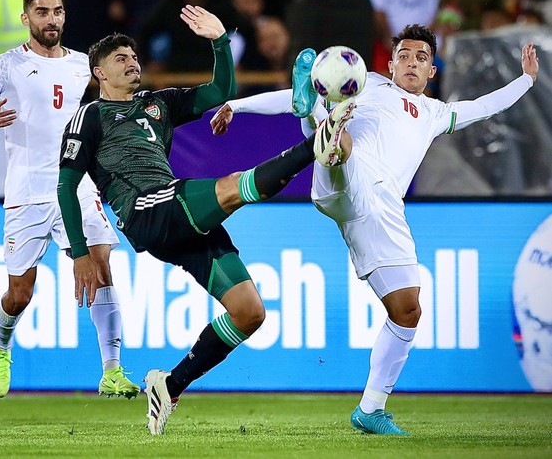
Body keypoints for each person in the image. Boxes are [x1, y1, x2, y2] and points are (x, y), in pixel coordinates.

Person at [210, 24, 540, 434]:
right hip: (347, 177)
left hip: (381, 213)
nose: (412, 63)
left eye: (421, 58)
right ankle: (317, 119)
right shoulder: (367, 85)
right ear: (391, 62)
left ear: (431, 71)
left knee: (407, 309)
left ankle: (370, 409)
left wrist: (526, 80)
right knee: (341, 141)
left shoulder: (437, 113)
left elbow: (486, 105)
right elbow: (291, 96)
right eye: (404, 55)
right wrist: (238, 106)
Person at [56, 6, 353, 435]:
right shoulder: (89, 116)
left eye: (134, 56)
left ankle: (170, 385)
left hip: (178, 218)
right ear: (98, 72)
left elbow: (219, 93)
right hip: (146, 209)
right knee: (233, 187)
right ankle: (314, 145)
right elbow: (66, 186)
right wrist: (80, 254)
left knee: (249, 313)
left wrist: (220, 43)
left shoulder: (159, 103)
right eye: (120, 58)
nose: (132, 62)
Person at [0, 0, 139, 400]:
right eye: (41, 12)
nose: (51, 19)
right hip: (27, 189)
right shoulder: (5, 65)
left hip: (77, 185)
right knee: (20, 294)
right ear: (26, 19)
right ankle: (1, 346)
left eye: (57, 11)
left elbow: (110, 104)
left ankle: (112, 371)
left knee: (101, 266)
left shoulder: (82, 65)